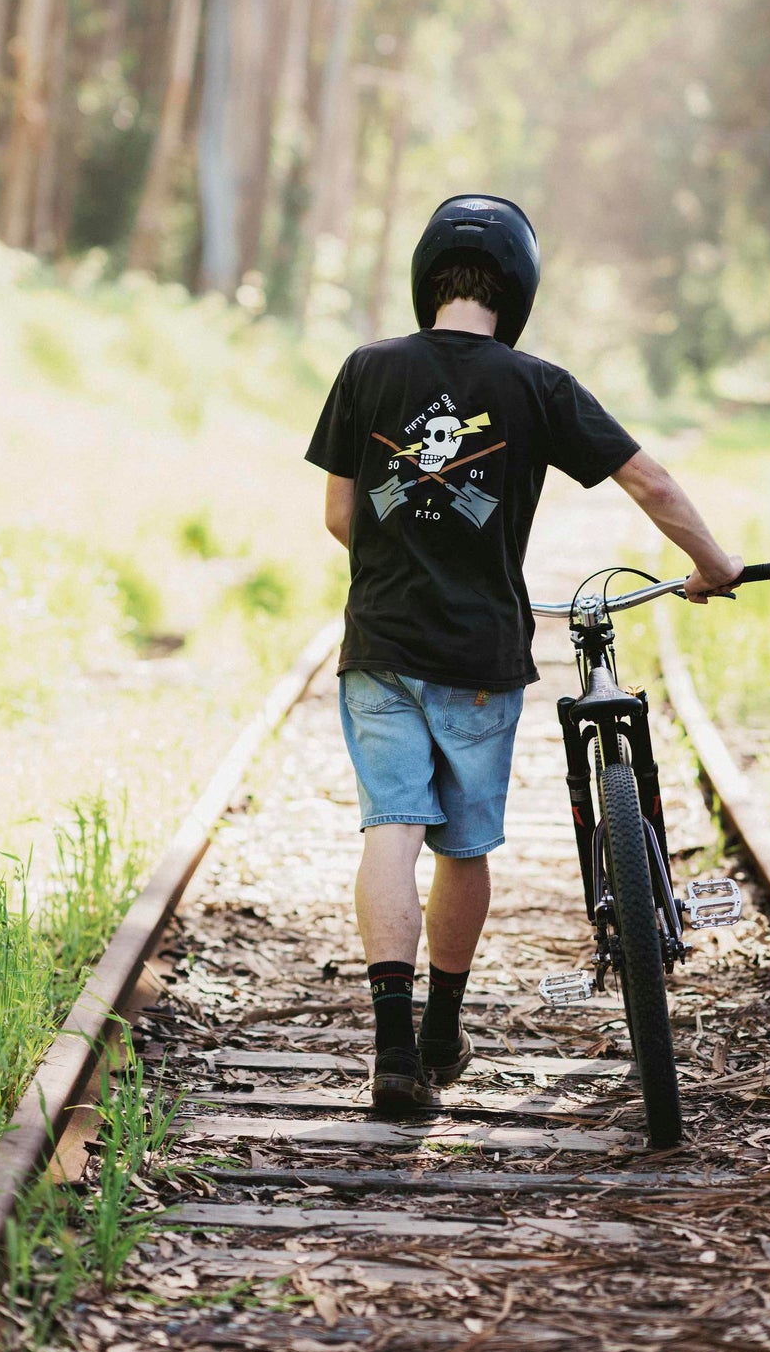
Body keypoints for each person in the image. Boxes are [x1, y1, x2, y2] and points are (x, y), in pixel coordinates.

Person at [305, 195, 742, 1110]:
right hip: (480, 655)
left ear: (428, 277)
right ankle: (439, 1033)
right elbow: (647, 479)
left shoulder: (366, 368)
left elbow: (343, 516)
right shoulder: (538, 383)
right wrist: (713, 563)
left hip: (380, 646)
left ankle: (389, 1052)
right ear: (519, 290)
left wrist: (405, 562)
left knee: (389, 829)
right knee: (463, 847)